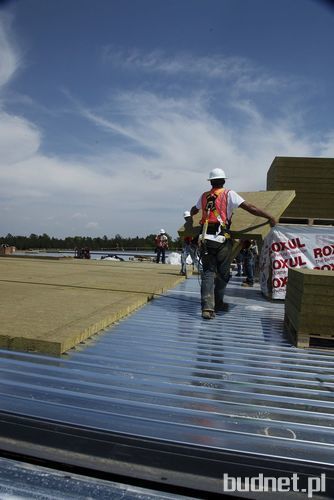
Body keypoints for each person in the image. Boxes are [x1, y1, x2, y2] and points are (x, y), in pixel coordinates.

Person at [190, 168, 277, 320]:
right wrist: (269, 216)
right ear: (224, 181)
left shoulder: (204, 196)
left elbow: (193, 209)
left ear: (210, 182)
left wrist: (190, 218)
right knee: (223, 274)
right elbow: (251, 208)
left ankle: (208, 308)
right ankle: (218, 303)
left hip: (204, 240)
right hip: (221, 240)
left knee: (208, 273)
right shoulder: (228, 194)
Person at [180, 211, 200, 276]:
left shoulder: (194, 225)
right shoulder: (185, 226)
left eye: (187, 217)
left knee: (195, 259)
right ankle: (183, 271)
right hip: (187, 245)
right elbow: (184, 236)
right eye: (185, 218)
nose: (186, 219)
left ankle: (202, 271)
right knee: (183, 258)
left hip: (192, 245)